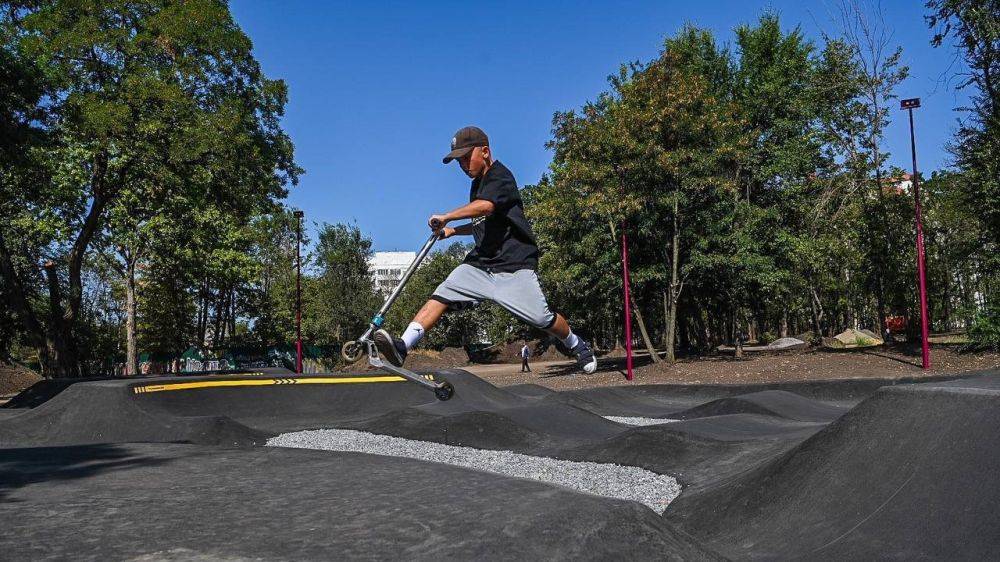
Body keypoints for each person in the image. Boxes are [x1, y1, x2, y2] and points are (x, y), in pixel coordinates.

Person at [374, 126, 597, 374]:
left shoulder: (501, 177)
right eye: (458, 161)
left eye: (466, 157)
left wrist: (448, 217)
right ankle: (403, 346)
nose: (462, 165)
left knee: (541, 319)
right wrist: (454, 231)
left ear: (485, 151)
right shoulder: (477, 184)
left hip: (513, 267)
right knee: (442, 293)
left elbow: (486, 208)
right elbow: (482, 220)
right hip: (481, 264)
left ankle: (576, 343)